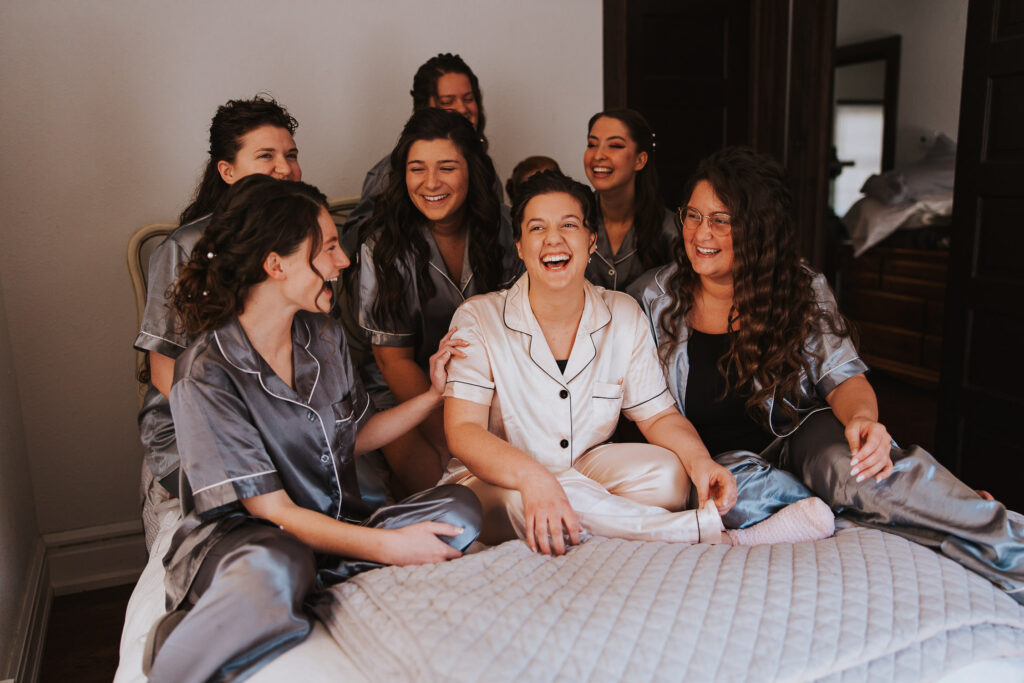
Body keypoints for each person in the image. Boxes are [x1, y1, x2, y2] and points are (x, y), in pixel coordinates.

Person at [635, 146, 1024, 603]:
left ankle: (1006, 542)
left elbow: (843, 376)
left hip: (799, 433)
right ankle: (907, 507)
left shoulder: (799, 287)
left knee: (862, 471)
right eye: (693, 215)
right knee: (732, 500)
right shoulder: (651, 298)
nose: (701, 233)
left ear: (758, 229)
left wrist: (863, 420)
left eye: (721, 220)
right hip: (717, 458)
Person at [145, 175, 481, 682]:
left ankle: (297, 594)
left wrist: (432, 395)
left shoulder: (322, 334)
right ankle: (193, 642)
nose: (342, 261)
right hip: (251, 543)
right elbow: (272, 511)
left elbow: (355, 436)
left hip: (333, 525)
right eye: (326, 249)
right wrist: (390, 548)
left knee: (461, 507)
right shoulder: (206, 372)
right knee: (280, 562)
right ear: (275, 264)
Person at [442, 170, 835, 555]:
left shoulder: (623, 312)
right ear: (519, 246)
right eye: (537, 228)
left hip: (587, 469)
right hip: (497, 481)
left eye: (568, 225)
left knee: (669, 477)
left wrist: (701, 464)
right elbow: (463, 431)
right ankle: (706, 535)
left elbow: (658, 416)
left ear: (591, 240)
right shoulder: (478, 317)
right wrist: (533, 478)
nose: (554, 240)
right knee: (523, 501)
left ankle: (599, 517)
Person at [133, 95, 302, 547]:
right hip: (195, 428)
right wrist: (251, 430)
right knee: (256, 523)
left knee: (347, 492)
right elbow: (166, 373)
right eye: (265, 156)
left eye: (290, 155)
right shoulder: (185, 248)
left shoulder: (309, 239)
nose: (283, 168)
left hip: (283, 418)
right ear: (227, 172)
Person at [358, 108, 520, 498]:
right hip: (405, 398)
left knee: (509, 490)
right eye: (417, 169)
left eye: (446, 167)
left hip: (499, 386)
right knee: (447, 489)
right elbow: (392, 360)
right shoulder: (382, 246)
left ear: (471, 170)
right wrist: (455, 435)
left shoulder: (508, 228)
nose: (431, 183)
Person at [341, 52, 501, 254]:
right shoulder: (392, 170)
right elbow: (353, 241)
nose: (462, 108)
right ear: (424, 108)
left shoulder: (487, 172)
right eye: (448, 101)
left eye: (468, 99)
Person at [584, 109, 678, 292]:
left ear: (640, 160)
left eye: (615, 146)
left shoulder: (670, 231)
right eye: (592, 144)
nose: (598, 155)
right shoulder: (573, 221)